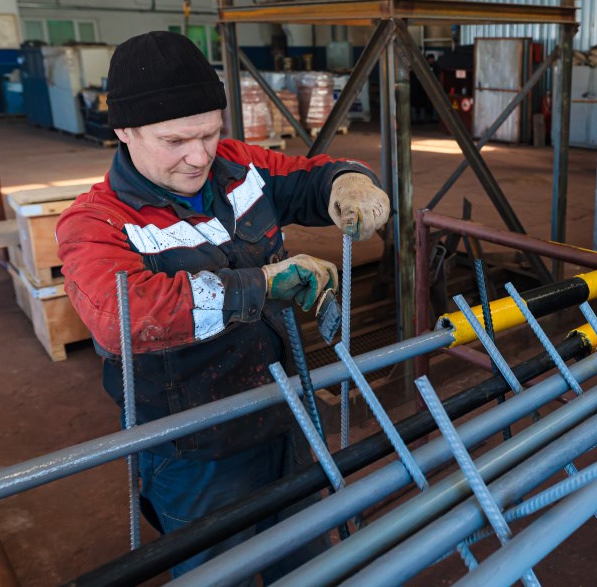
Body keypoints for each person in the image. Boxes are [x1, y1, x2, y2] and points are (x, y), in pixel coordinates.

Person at [55, 31, 390, 581]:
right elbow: (125, 320)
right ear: (123, 131)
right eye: (175, 141)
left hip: (284, 411)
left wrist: (350, 183)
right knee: (215, 570)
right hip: (195, 447)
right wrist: (260, 285)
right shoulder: (98, 222)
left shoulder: (237, 168)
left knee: (306, 557)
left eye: (211, 133)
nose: (199, 156)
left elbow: (310, 178)